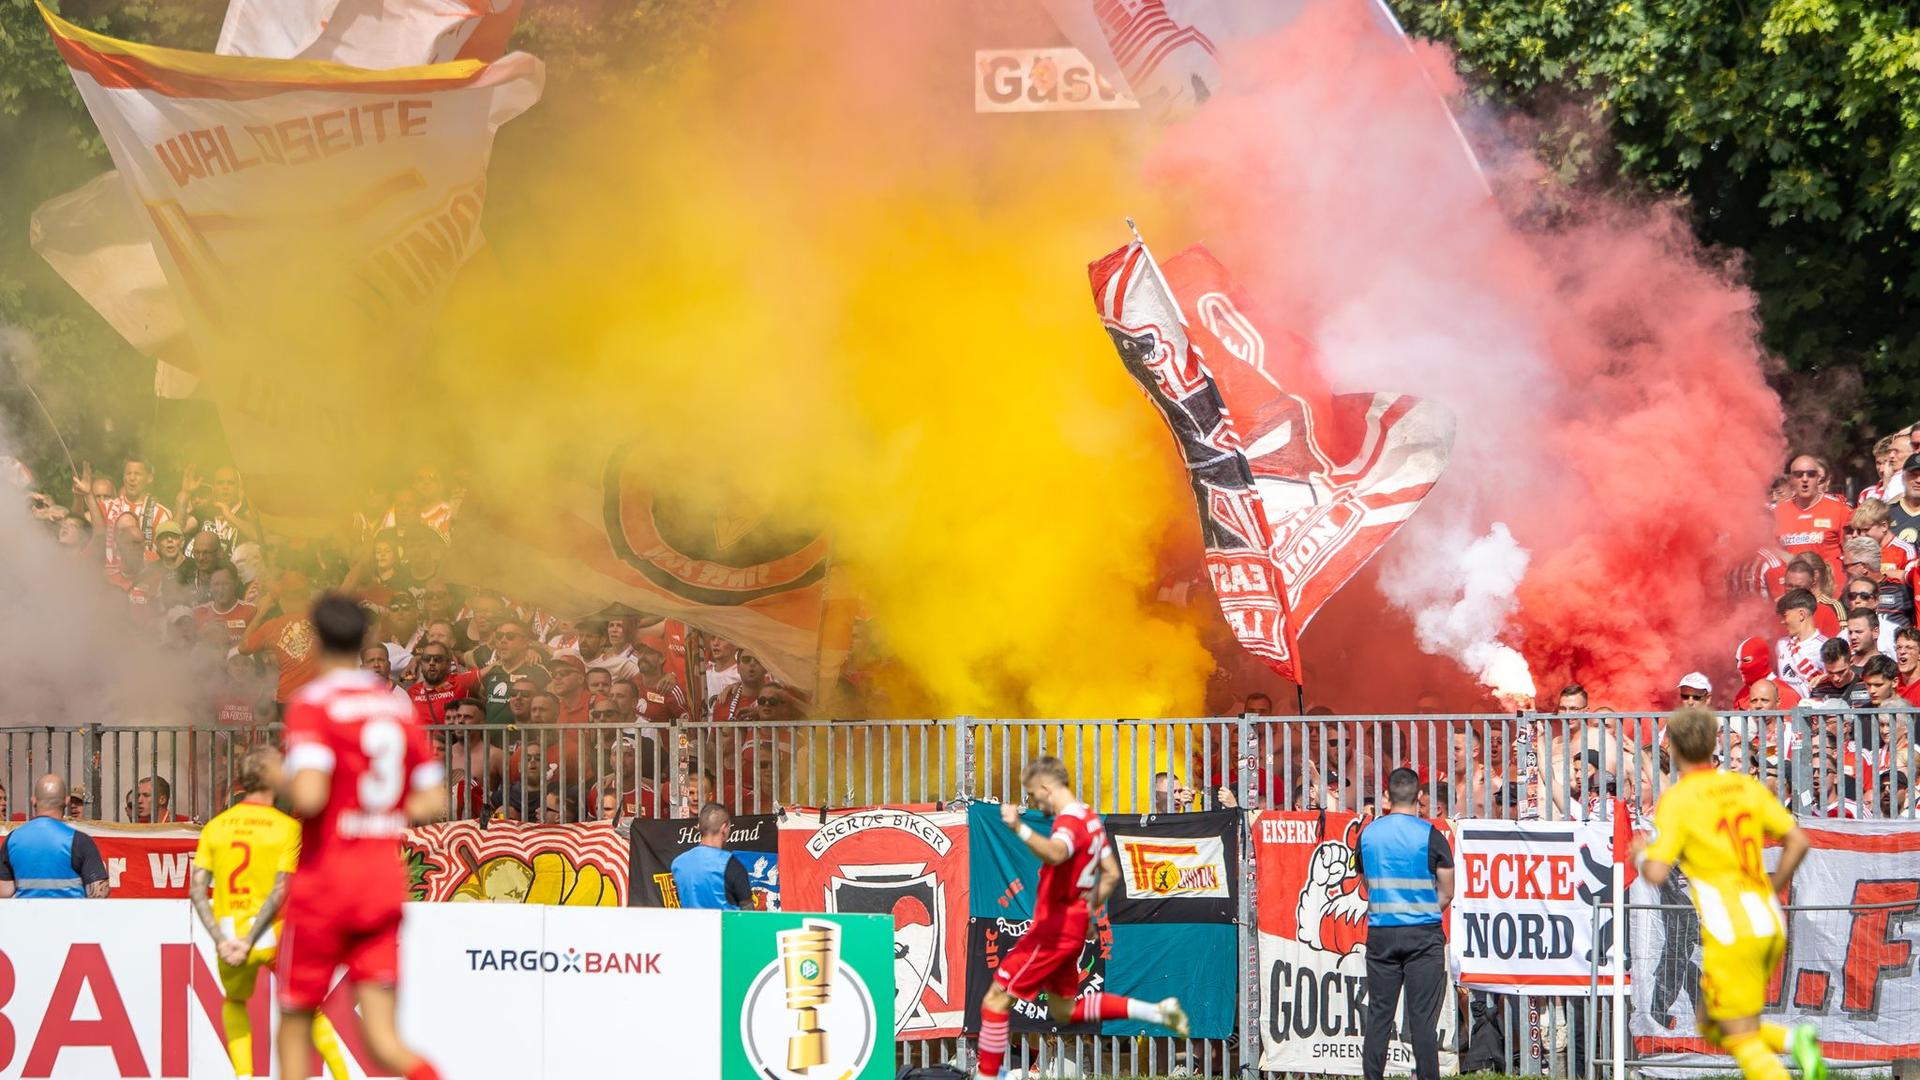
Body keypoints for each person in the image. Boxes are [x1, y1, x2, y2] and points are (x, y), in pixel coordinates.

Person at [277, 595, 446, 1080]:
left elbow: (308, 796)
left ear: (316, 639)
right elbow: (433, 800)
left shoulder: (314, 703)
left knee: (293, 1023)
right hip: (379, 883)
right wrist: (378, 812)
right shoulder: (394, 708)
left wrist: (278, 776)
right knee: (384, 1043)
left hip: (325, 884)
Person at [1632, 708, 1825, 1080]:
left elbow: (1657, 872)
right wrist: (1773, 886)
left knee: (1731, 1030)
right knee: (1716, 1022)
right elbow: (1798, 841)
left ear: (1671, 748)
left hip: (1731, 926)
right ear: (1713, 743)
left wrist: (1641, 854)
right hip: (1767, 919)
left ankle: (1790, 1046)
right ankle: (1791, 1040)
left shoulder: (1679, 799)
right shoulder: (1745, 787)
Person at [972, 757, 1186, 1080]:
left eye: (1034, 794)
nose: (1035, 803)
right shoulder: (1090, 819)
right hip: (1071, 930)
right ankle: (1154, 1010)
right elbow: (1112, 874)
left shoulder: (1069, 820)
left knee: (995, 998)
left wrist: (1018, 827)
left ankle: (986, 1077)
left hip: (1053, 930)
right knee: (1063, 1011)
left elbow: (1056, 852)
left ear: (1046, 786)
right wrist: (1086, 909)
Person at [191, 750, 349, 1080]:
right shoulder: (287, 828)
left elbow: (197, 891)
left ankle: (245, 1075)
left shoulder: (215, 828)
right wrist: (253, 938)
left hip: (230, 932)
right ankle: (342, 1077)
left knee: (234, 1002)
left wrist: (224, 941)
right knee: (310, 1009)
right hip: (275, 934)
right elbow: (281, 890)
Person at [1356, 767, 1452, 1080]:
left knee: (1379, 1016)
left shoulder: (1368, 833)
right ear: (1419, 797)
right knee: (1422, 1019)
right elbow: (1447, 891)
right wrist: (1422, 907)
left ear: (1387, 795)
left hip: (1382, 932)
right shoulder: (1431, 835)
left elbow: (1366, 880)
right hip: (1423, 935)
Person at [0, 774, 110, 897]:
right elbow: (99, 893)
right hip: (70, 915)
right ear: (67, 801)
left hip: (28, 915)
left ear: (33, 800)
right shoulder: (79, 840)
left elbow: (4, 891)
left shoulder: (13, 839)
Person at [1773, 454, 1850, 576]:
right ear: (1791, 479)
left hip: (1830, 588)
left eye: (1811, 474)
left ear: (1819, 478)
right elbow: (1772, 553)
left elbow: (1851, 551)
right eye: (1799, 475)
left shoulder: (1839, 509)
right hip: (1795, 589)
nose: (1805, 479)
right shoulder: (1778, 513)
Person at [669, 802, 753, 910]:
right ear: (724, 828)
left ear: (700, 827)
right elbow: (748, 912)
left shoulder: (678, 863)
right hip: (725, 926)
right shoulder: (731, 864)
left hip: (690, 926)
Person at [1774, 590, 1828, 697]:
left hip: (1814, 711)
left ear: (1801, 615)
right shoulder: (1781, 645)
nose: (1782, 621)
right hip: (1787, 711)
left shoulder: (1825, 646)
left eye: (1785, 616)